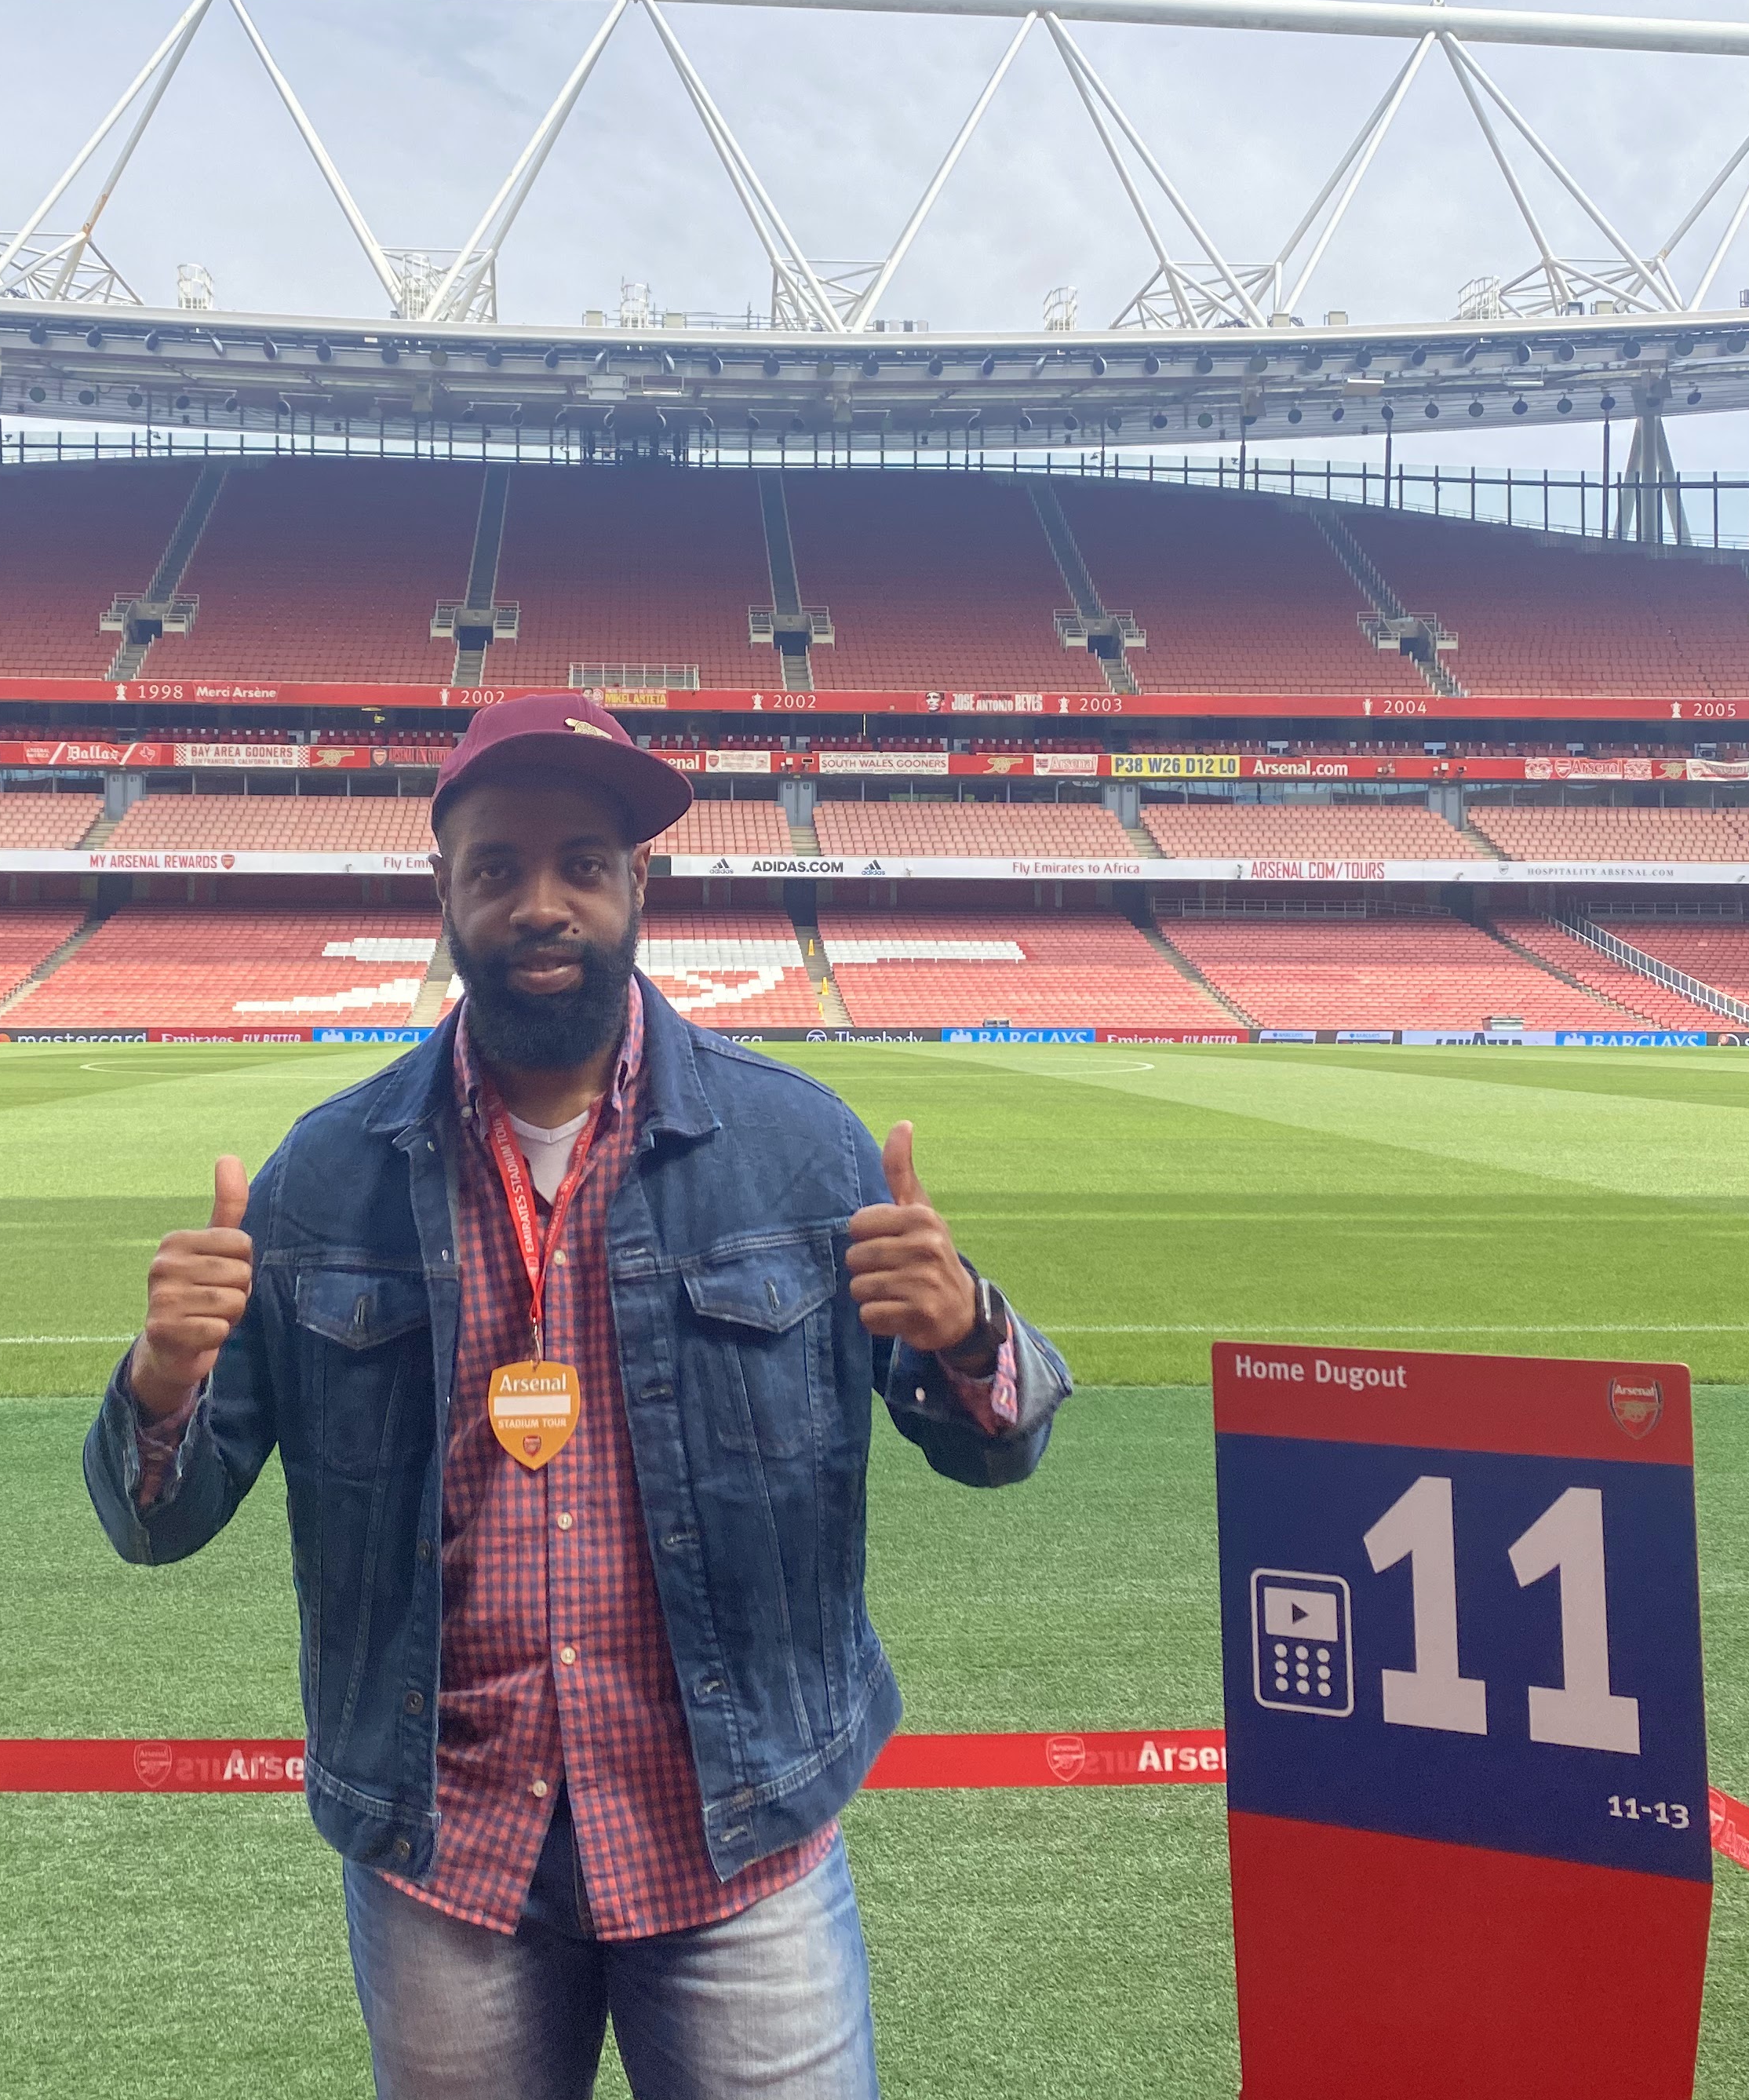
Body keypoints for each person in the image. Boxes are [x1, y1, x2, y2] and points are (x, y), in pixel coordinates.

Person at [84, 692, 1069, 2100]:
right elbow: (153, 1523)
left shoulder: (801, 1150)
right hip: (448, 1853)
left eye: (582, 866)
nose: (541, 904)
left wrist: (971, 1333)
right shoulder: (323, 1180)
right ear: (442, 889)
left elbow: (1001, 1446)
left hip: (738, 1836)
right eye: (498, 868)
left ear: (638, 885)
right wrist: (162, 1380)